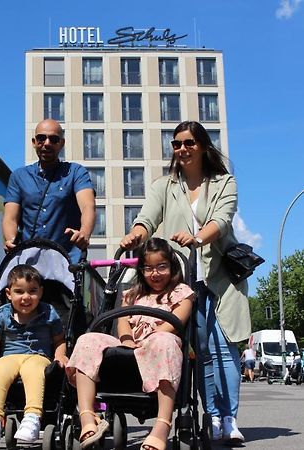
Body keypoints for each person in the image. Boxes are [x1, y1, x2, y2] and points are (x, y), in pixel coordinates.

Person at [120, 121, 250, 444]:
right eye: (176, 144)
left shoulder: (223, 183)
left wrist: (197, 237)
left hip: (218, 278)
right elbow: (147, 218)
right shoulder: (165, 186)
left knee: (224, 347)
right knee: (201, 350)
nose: (182, 149)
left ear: (203, 146)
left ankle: (229, 415)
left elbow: (221, 221)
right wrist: (136, 234)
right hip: (181, 283)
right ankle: (214, 416)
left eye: (188, 142)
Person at [66, 238, 194, 450]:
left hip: (160, 343)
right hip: (131, 345)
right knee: (87, 339)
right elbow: (123, 322)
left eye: (161, 267)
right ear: (141, 270)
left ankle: (162, 425)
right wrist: (127, 341)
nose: (155, 273)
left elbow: (176, 322)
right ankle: (88, 416)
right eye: (148, 268)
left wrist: (149, 341)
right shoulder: (132, 294)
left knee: (163, 341)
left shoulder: (182, 292)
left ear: (172, 267)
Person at [0, 264, 68, 445]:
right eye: (19, 292)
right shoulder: (3, 314)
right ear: (9, 294)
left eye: (32, 291)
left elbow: (59, 340)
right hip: (9, 357)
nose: (26, 297)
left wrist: (61, 355)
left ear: (40, 292)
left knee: (33, 371)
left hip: (38, 356)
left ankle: (32, 417)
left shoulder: (48, 312)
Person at [2, 119, 96, 262]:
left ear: (61, 144)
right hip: (29, 262)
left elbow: (88, 206)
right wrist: (10, 240)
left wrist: (84, 233)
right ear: (34, 142)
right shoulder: (18, 176)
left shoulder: (76, 172)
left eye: (53, 139)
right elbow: (10, 217)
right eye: (41, 138)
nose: (47, 143)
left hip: (68, 261)